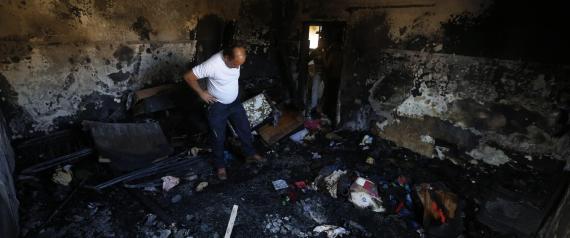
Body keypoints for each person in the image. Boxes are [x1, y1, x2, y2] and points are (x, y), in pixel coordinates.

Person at [184, 43, 265, 180]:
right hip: (218, 106)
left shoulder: (235, 59)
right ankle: (220, 166)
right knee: (218, 137)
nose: (237, 67)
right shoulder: (212, 64)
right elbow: (188, 76)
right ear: (226, 58)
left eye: (239, 64)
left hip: (234, 103)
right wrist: (201, 93)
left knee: (244, 128)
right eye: (235, 64)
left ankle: (250, 153)